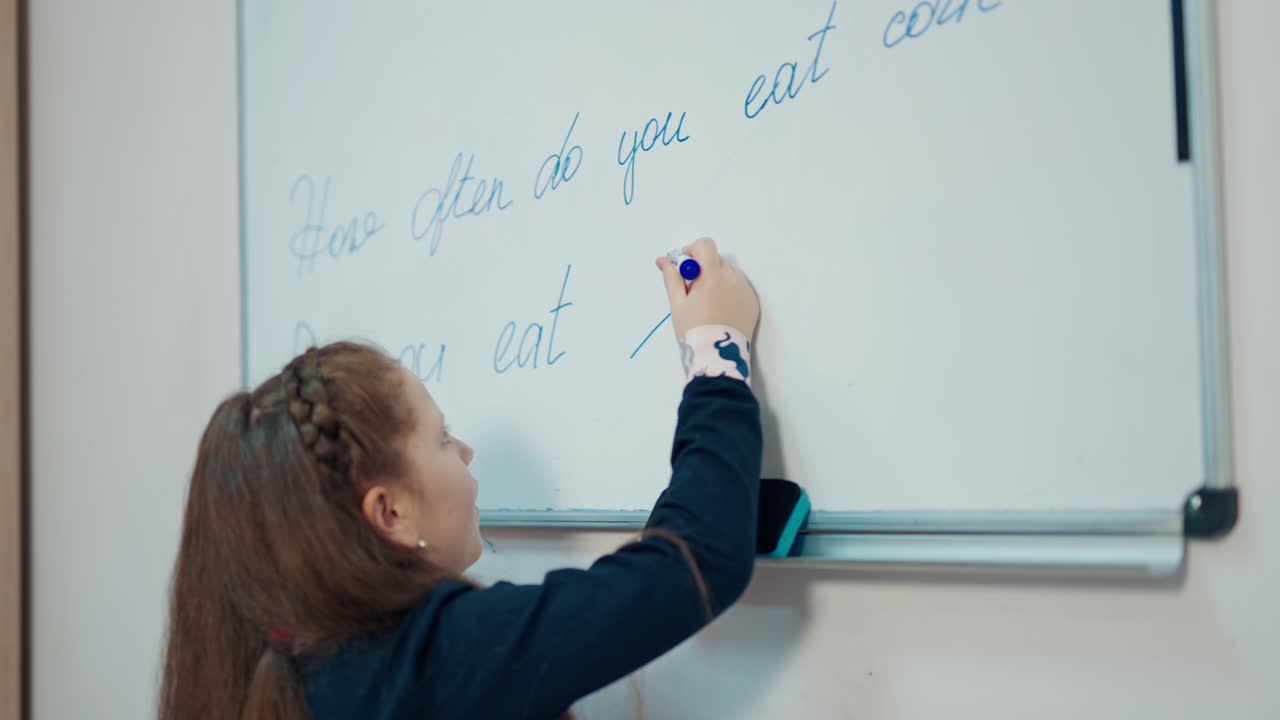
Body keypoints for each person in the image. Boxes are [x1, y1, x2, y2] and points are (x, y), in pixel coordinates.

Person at [159, 237, 763, 719]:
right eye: (442, 438)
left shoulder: (290, 667)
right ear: (388, 513)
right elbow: (694, 563)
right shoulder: (437, 661)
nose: (466, 452)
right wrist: (715, 350)